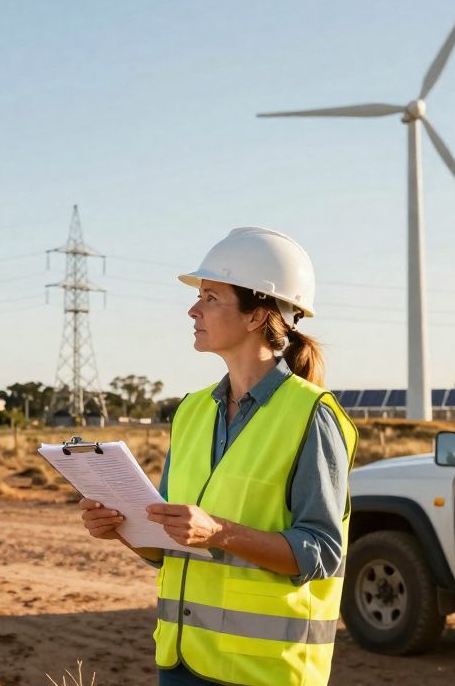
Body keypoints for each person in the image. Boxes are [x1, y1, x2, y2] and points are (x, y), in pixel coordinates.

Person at [80, 227, 357, 686]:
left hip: (264, 671)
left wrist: (219, 533)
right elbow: (168, 545)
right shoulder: (192, 410)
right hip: (183, 661)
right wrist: (120, 528)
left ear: (257, 316)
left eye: (210, 297)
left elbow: (322, 551)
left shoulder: (312, 415)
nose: (193, 310)